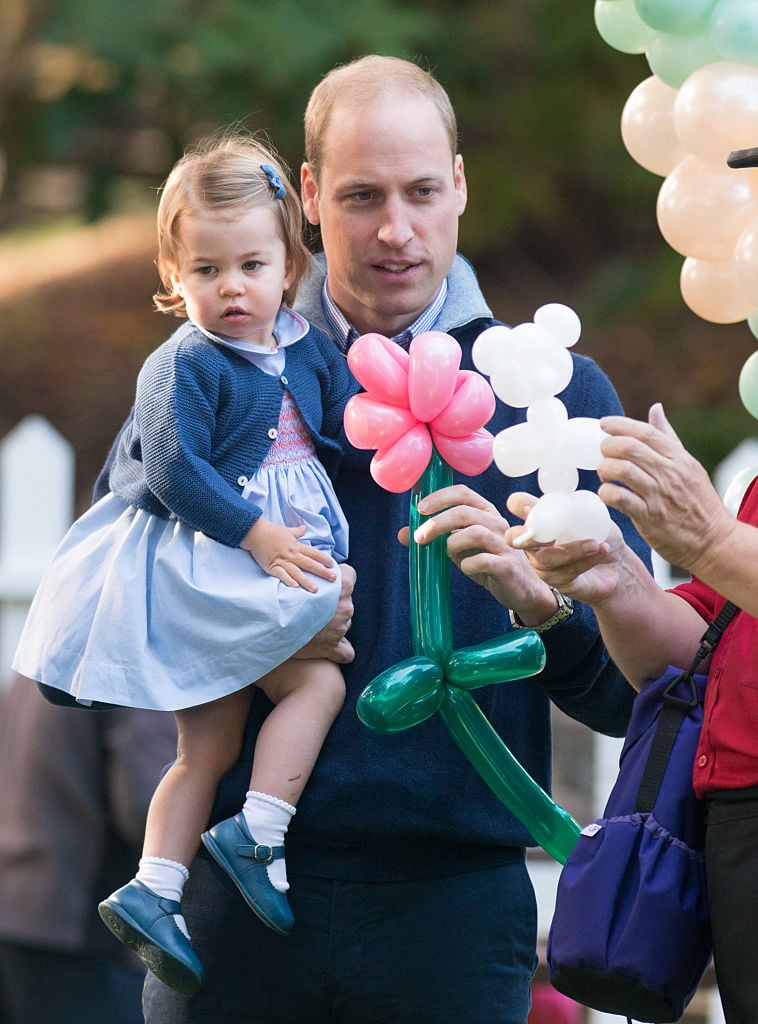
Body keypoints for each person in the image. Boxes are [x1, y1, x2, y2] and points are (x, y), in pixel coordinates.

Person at [136, 55, 652, 1024]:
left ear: (459, 182)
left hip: (453, 900)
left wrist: (543, 609)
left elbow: (631, 696)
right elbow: (119, 604)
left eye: (420, 191)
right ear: (308, 195)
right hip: (233, 881)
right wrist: (241, 623)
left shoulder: (551, 396)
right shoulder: (221, 369)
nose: (393, 230)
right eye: (361, 195)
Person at [12, 131, 359, 994]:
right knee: (314, 685)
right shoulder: (185, 362)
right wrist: (259, 535)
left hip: (259, 554)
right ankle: (258, 830)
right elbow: (170, 469)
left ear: (291, 262)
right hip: (218, 558)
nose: (231, 287)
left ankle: (156, 886)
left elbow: (349, 415)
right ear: (174, 276)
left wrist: (396, 406)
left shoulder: (305, 344)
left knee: (205, 744)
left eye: (250, 264)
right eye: (206, 271)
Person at [505, 395, 758, 1024]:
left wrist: (712, 538)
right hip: (736, 821)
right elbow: (700, 646)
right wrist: (613, 579)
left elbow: (722, 553)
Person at [0, 674, 177, 1024]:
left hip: (20, 907)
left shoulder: (44, 646)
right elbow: (147, 804)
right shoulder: (123, 659)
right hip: (82, 921)